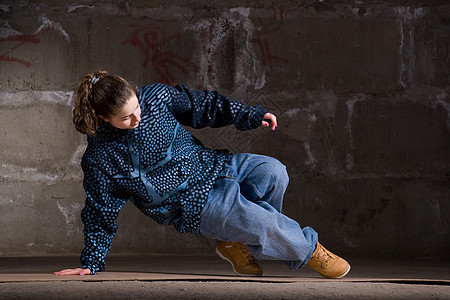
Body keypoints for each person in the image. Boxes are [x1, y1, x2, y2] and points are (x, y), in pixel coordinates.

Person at [55, 70, 350, 279]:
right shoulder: (101, 160)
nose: (137, 118)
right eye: (127, 118)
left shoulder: (155, 98)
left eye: (137, 108)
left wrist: (249, 115)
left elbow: (204, 106)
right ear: (103, 118)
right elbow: (100, 212)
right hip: (189, 203)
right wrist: (91, 261)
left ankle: (236, 239)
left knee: (273, 172)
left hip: (212, 166)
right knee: (262, 220)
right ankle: (308, 250)